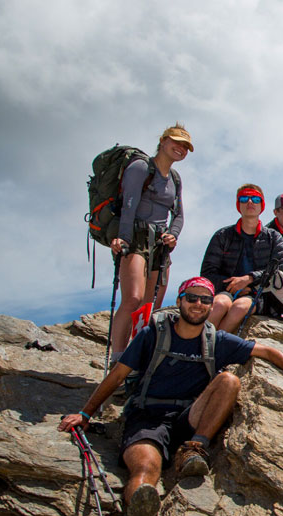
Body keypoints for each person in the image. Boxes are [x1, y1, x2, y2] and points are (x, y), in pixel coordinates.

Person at [58, 277, 283, 516]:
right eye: (191, 298)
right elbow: (117, 376)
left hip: (188, 417)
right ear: (179, 301)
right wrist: (85, 414)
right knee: (146, 467)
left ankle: (194, 448)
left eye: (205, 300)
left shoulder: (217, 339)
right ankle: (141, 510)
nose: (198, 304)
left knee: (228, 380)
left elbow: (267, 351)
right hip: (147, 416)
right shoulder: (153, 334)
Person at [108, 124, 191, 362]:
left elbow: (179, 214)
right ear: (163, 141)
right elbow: (128, 206)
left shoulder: (175, 178)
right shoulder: (141, 167)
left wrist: (173, 234)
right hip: (136, 238)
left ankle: (137, 356)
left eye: (185, 146)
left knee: (150, 304)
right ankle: (118, 358)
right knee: (133, 298)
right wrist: (123, 238)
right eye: (176, 142)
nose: (181, 149)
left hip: (160, 243)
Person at [201, 184, 283, 332]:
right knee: (219, 304)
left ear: (261, 205)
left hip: (262, 295)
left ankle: (214, 348)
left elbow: (282, 271)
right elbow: (207, 273)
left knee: (239, 307)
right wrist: (233, 286)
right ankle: (199, 346)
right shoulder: (222, 236)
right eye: (244, 198)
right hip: (226, 291)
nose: (250, 202)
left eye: (255, 199)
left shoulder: (273, 237)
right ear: (238, 205)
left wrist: (249, 279)